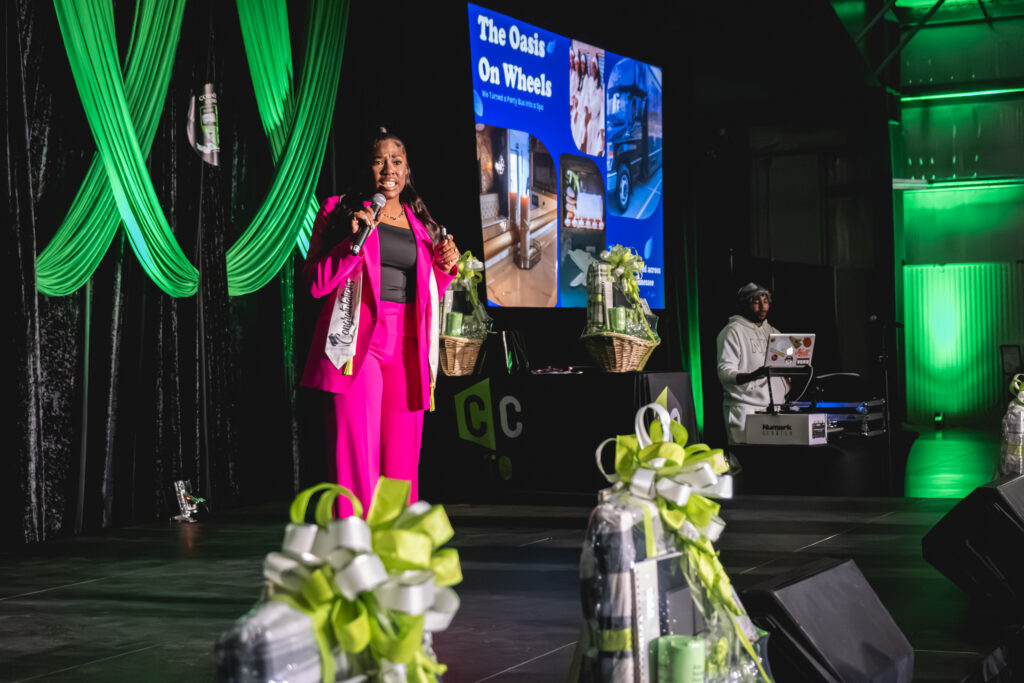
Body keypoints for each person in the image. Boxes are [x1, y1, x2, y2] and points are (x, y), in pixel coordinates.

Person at [301, 128, 460, 515]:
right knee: (357, 455)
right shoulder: (339, 211)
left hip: (406, 346)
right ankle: (353, 542)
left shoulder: (422, 224)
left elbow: (426, 293)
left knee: (401, 464)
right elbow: (315, 284)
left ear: (407, 170)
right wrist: (350, 245)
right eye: (379, 161)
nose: (388, 169)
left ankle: (395, 544)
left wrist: (444, 267)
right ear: (366, 168)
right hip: (357, 342)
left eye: (397, 161)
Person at [716, 282, 791, 444]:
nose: (762, 307)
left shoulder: (774, 332)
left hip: (776, 409)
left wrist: (785, 385)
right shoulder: (732, 331)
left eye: (765, 301)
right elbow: (724, 373)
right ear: (743, 304)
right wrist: (754, 375)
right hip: (745, 410)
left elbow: (785, 368)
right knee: (745, 456)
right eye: (756, 302)